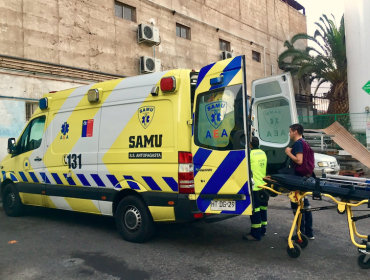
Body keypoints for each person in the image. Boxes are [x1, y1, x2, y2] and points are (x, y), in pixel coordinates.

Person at [285, 124, 315, 240]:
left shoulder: (298, 143)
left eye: (290, 131)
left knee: (297, 205)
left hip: (298, 178)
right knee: (305, 204)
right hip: (305, 177)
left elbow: (299, 160)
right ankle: (308, 232)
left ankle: (300, 233)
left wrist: (288, 152)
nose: (289, 134)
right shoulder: (304, 142)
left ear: (295, 132)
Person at [243, 136, 268, 241]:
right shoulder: (263, 153)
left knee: (255, 210)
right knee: (263, 208)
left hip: (254, 186)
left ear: (250, 144)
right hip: (263, 185)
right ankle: (263, 230)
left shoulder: (249, 154)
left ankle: (256, 234)